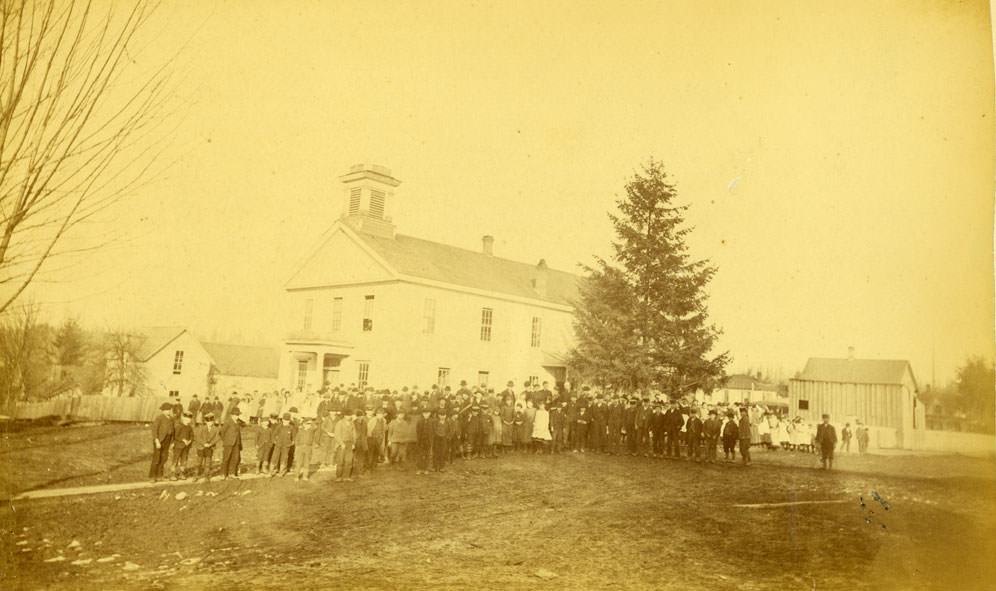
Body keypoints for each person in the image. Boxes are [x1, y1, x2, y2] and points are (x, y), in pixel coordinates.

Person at [149, 402, 174, 482]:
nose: (168, 411)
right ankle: (152, 476)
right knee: (157, 458)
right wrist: (157, 441)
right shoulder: (159, 418)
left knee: (164, 458)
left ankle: (160, 475)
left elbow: (173, 430)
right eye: (166, 410)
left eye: (169, 410)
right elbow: (154, 430)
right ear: (163, 411)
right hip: (160, 440)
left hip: (168, 440)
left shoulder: (171, 419)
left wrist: (172, 442)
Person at [193, 412, 220, 481]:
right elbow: (197, 437)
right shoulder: (201, 428)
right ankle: (195, 475)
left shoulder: (216, 429)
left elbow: (217, 438)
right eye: (208, 421)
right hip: (201, 447)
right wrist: (204, 444)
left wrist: (211, 444)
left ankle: (206, 475)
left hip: (210, 448)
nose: (210, 423)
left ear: (213, 421)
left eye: (211, 421)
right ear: (205, 422)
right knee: (199, 462)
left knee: (208, 462)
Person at [219, 407, 243, 479]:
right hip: (228, 443)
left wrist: (239, 444)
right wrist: (226, 440)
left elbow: (238, 434)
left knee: (235, 458)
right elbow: (222, 432)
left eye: (238, 415)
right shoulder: (228, 421)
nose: (237, 416)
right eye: (236, 415)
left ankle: (231, 473)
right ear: (232, 415)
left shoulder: (238, 422)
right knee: (226, 458)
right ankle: (223, 474)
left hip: (236, 443)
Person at [333, 409, 357, 481]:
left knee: (349, 461)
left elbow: (354, 434)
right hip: (341, 444)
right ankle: (339, 477)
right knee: (340, 461)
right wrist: (341, 444)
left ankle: (347, 476)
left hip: (349, 443)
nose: (348, 417)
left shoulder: (352, 423)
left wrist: (353, 443)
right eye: (347, 415)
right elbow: (337, 435)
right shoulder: (339, 423)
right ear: (344, 416)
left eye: (350, 415)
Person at [170, 412, 194, 480]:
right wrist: (183, 440)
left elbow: (192, 436)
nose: (188, 420)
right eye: (186, 419)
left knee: (184, 460)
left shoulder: (190, 427)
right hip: (178, 446)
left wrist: (189, 441)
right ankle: (173, 474)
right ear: (183, 419)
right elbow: (175, 436)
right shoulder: (179, 426)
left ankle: (181, 473)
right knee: (175, 460)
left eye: (189, 419)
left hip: (186, 447)